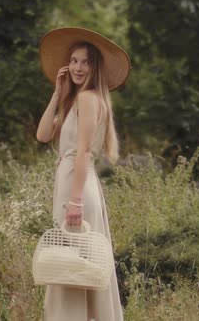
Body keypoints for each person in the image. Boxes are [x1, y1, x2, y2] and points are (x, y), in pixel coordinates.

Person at [36, 27, 130, 321]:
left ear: (95, 67)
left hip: (77, 188)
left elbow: (84, 153)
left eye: (85, 62)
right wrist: (57, 93)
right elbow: (41, 135)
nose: (78, 67)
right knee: (71, 262)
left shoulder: (89, 99)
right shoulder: (74, 101)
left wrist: (75, 202)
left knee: (75, 263)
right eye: (74, 60)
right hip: (71, 185)